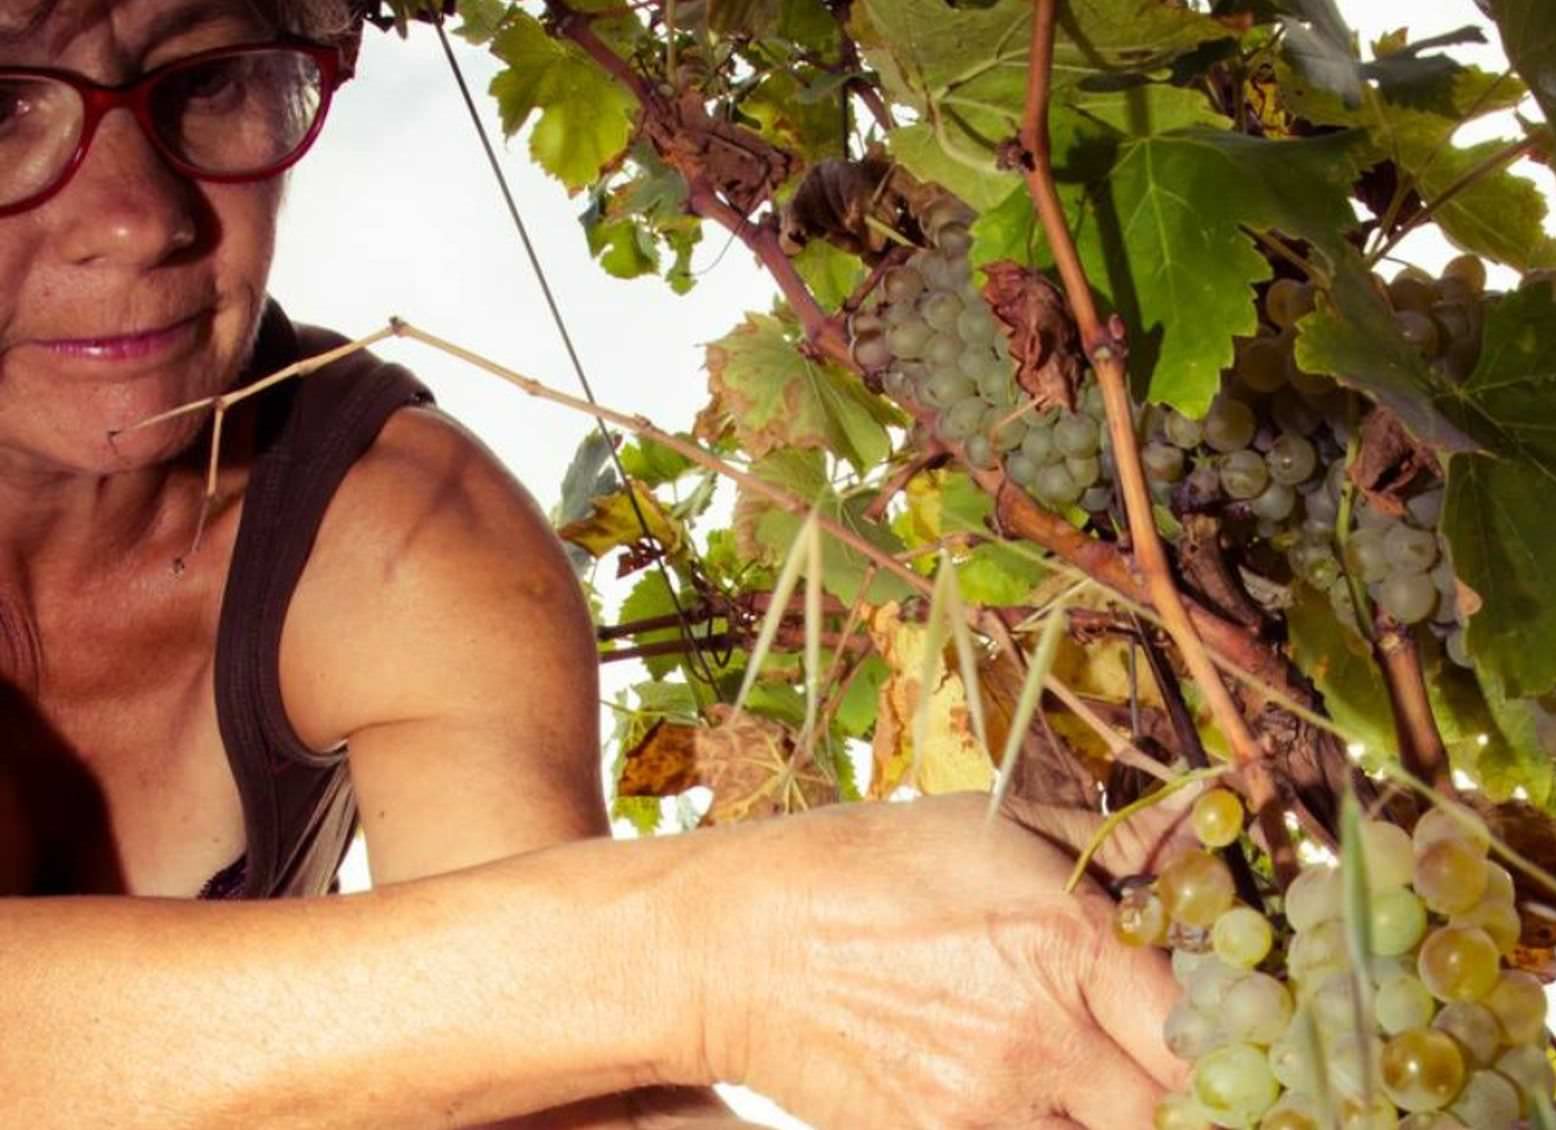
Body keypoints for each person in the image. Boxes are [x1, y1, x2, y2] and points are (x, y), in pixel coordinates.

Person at [0, 1, 1190, 1126]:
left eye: (204, 80)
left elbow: (568, 1086)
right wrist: (714, 949)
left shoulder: (405, 538)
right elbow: (618, 978)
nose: (135, 216)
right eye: (0, 104)